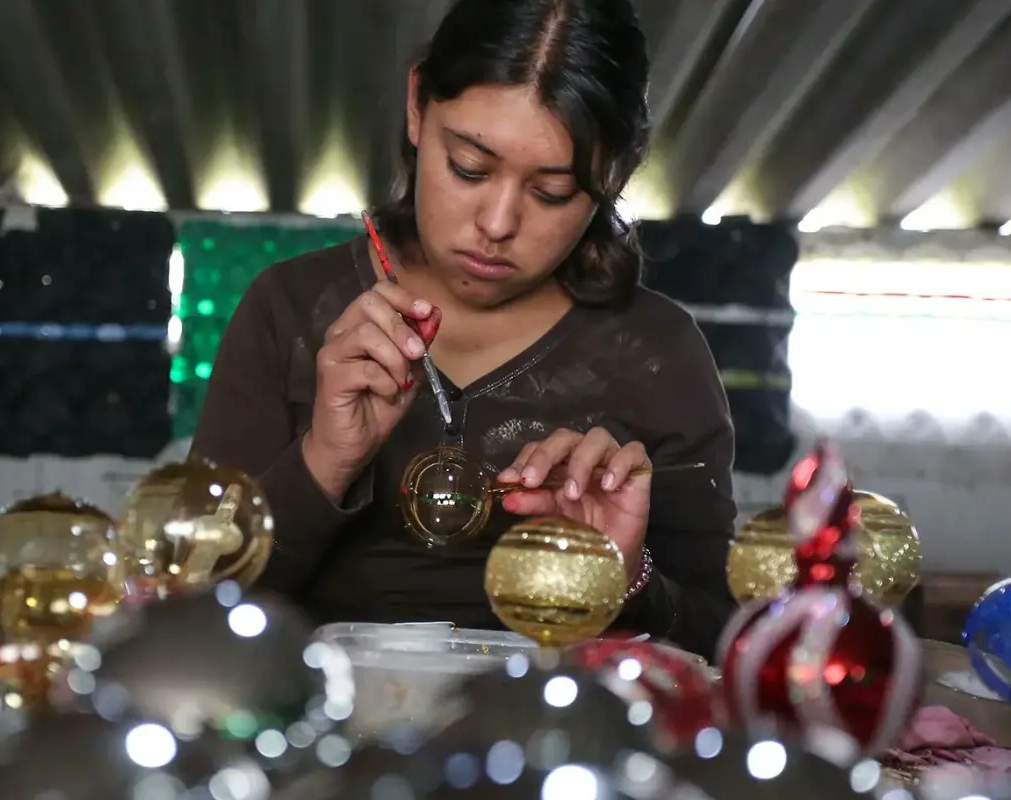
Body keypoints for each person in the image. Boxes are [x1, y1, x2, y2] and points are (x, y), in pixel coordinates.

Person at [192, 0, 738, 657]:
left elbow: (723, 639)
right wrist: (324, 461)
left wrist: (625, 581)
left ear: (613, 174)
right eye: (470, 169)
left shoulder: (658, 352)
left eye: (552, 192)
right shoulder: (288, 308)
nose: (498, 223)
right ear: (418, 104)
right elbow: (193, 611)